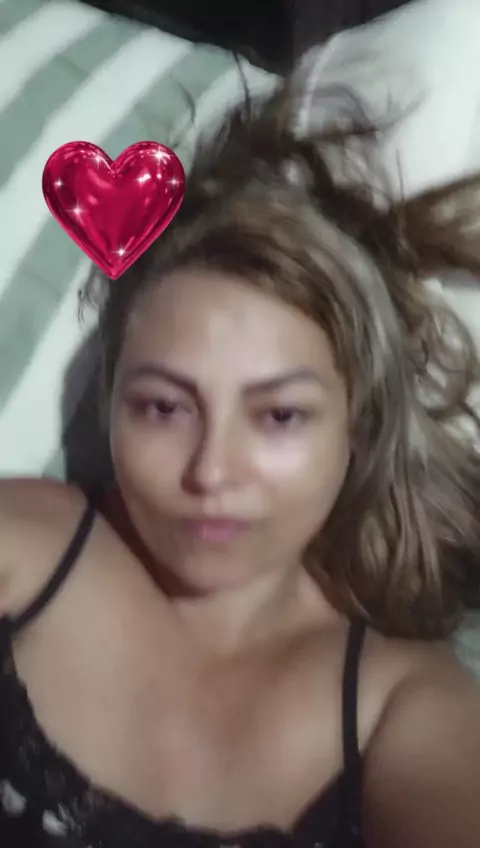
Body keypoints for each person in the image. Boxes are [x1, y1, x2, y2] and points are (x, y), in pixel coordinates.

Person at [1, 78, 480, 848]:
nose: (210, 473)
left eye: (280, 415)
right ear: (110, 403)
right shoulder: (23, 544)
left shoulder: (405, 708)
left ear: (357, 431)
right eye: (164, 407)